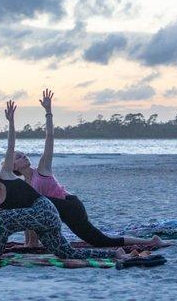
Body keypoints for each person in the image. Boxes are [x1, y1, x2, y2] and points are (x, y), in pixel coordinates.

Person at [0, 100, 141, 260]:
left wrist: (11, 122)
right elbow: (20, 220)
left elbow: (10, 146)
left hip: (46, 210)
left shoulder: (6, 175)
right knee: (66, 253)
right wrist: (29, 243)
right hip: (42, 224)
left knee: (5, 219)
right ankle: (114, 253)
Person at [13, 89, 168, 248]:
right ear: (14, 167)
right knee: (30, 205)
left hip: (71, 207)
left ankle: (152, 242)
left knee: (102, 241)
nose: (23, 156)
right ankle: (31, 242)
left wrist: (48, 111)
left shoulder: (42, 169)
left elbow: (50, 137)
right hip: (59, 212)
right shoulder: (26, 185)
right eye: (18, 157)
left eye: (23, 154)